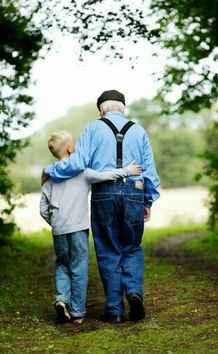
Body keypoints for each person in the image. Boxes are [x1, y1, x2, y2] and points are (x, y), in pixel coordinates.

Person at [42, 90, 160, 323]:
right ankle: (134, 293)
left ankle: (114, 310)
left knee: (107, 250)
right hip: (134, 191)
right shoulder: (139, 131)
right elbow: (150, 173)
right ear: (123, 108)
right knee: (132, 247)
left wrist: (49, 171)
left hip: (103, 195)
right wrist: (146, 200)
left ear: (101, 110)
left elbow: (75, 164)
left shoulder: (93, 128)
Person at [40, 130, 141, 324]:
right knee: (79, 268)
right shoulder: (82, 172)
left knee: (63, 264)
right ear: (70, 149)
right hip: (77, 227)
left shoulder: (50, 177)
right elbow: (105, 176)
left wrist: (54, 222)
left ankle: (62, 299)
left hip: (59, 229)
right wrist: (127, 171)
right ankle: (77, 312)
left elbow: (43, 208)